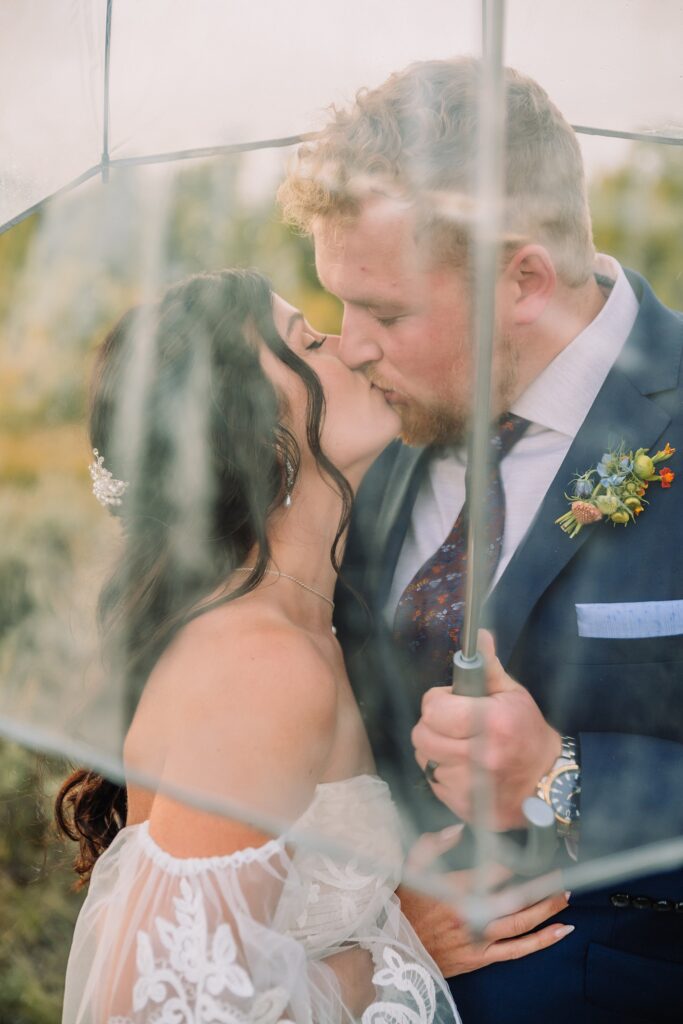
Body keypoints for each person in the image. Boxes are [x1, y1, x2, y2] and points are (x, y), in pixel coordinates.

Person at [279, 58, 683, 1022]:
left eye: (384, 310)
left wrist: (563, 773)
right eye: (336, 301)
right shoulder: (372, 430)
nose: (352, 344)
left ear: (526, 279)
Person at [56, 269, 571, 1024]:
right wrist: (394, 948)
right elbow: (145, 1011)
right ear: (260, 435)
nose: (349, 344)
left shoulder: (307, 627)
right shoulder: (259, 668)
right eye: (307, 340)